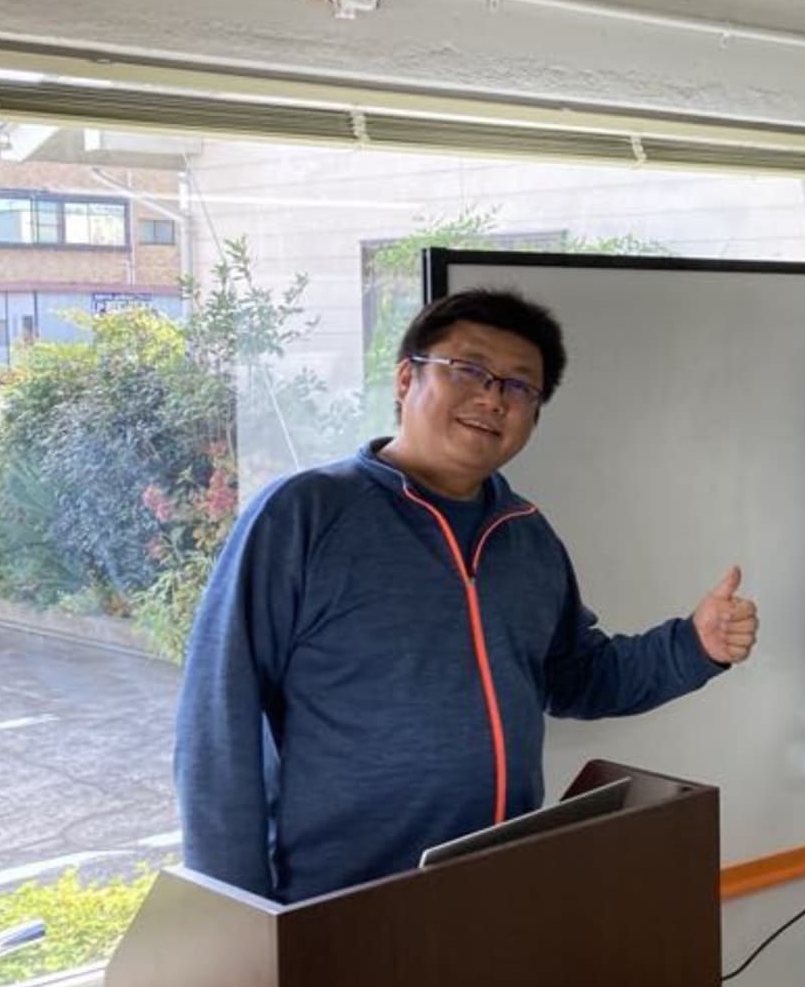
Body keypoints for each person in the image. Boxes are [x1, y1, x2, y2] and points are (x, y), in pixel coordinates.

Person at [174, 287, 757, 903]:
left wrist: (694, 645)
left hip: (495, 885)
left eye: (519, 386)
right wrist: (237, 913)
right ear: (406, 379)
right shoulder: (305, 515)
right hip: (338, 903)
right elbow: (218, 721)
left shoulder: (526, 535)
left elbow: (577, 677)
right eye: (469, 369)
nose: (493, 397)